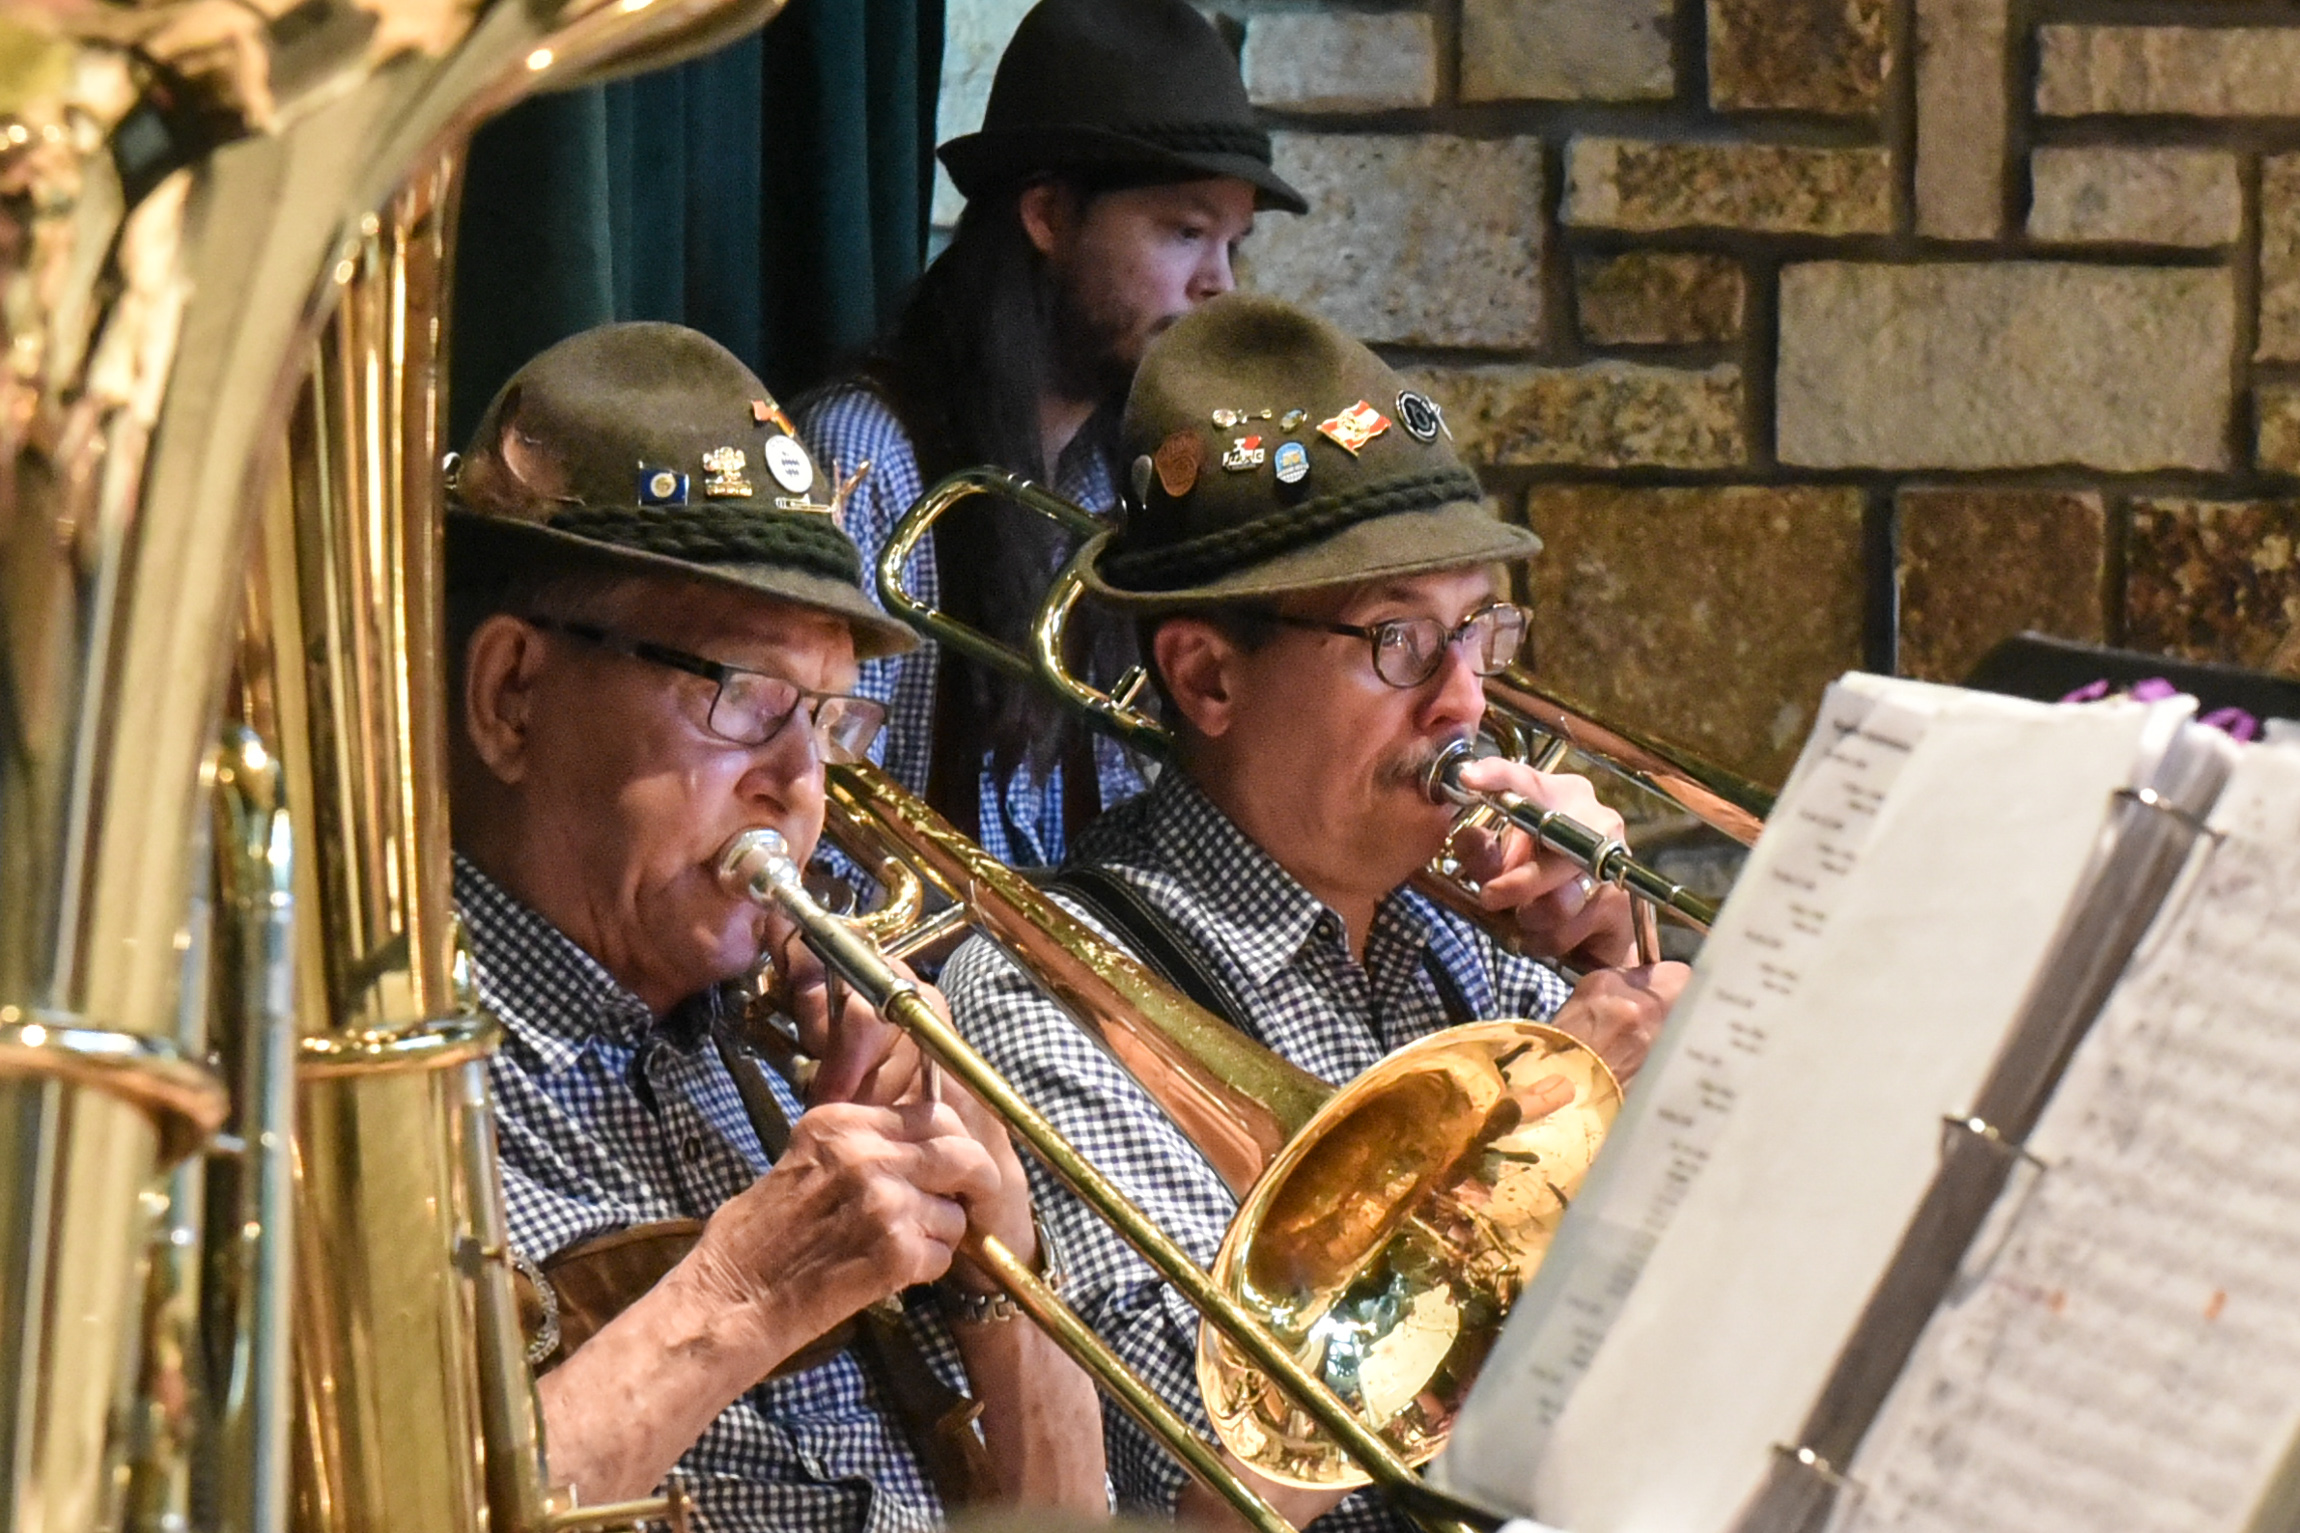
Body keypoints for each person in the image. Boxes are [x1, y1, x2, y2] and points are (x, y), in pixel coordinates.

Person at [936, 295, 1690, 1533]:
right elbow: (1202, 1466)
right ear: (1206, 676)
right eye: (1399, 641)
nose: (1463, 703)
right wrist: (1542, 1103)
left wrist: (1619, 966)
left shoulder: (1459, 936)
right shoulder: (1048, 990)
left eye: (1476, 631)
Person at [443, 321, 1108, 1530]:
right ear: (512, 695)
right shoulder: (387, 1083)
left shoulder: (777, 1050)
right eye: (745, 698)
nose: (803, 784)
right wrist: (746, 1293)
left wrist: (995, 1254)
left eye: (831, 720)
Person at [798, 0, 1306, 869]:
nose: (1219, 284)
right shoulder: (867, 455)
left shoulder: (1123, 478)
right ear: (1048, 217)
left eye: (1234, 244)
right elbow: (815, 810)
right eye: (1186, 232)